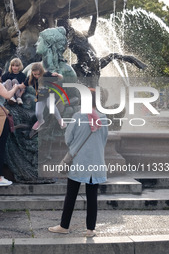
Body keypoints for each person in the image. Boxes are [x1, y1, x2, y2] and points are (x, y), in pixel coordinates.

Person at [48, 89, 108, 237]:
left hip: (79, 161)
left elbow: (68, 139)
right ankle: (90, 230)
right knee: (92, 197)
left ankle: (64, 226)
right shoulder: (104, 118)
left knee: (71, 195)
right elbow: (104, 140)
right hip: (96, 162)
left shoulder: (77, 116)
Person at [24, 62, 66, 130]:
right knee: (38, 113)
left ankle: (60, 120)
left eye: (38, 74)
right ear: (32, 73)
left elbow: (61, 78)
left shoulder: (46, 75)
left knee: (50, 105)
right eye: (35, 74)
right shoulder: (31, 78)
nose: (37, 76)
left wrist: (58, 75)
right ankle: (40, 121)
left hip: (50, 94)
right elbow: (23, 85)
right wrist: (16, 87)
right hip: (40, 97)